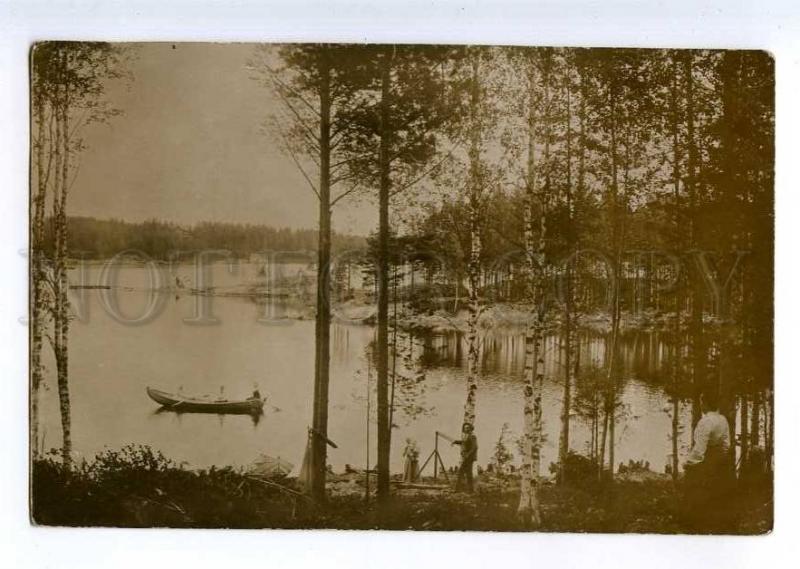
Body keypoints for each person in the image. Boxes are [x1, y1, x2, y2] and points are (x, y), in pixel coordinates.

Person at [682, 388, 734, 532]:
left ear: (705, 403)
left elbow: (699, 450)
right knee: (714, 493)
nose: (701, 405)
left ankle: (692, 522)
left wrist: (688, 463)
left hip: (704, 464)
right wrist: (719, 460)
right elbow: (726, 445)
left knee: (695, 490)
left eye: (701, 402)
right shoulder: (722, 419)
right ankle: (712, 522)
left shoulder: (705, 422)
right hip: (718, 463)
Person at [452, 423, 478, 493]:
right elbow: (463, 442)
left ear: (470, 429)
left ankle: (458, 490)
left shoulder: (472, 436)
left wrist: (467, 455)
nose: (466, 429)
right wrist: (455, 442)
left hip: (469, 458)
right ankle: (470, 490)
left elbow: (474, 447)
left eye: (467, 428)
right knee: (468, 473)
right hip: (467, 457)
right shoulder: (467, 436)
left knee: (461, 472)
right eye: (465, 428)